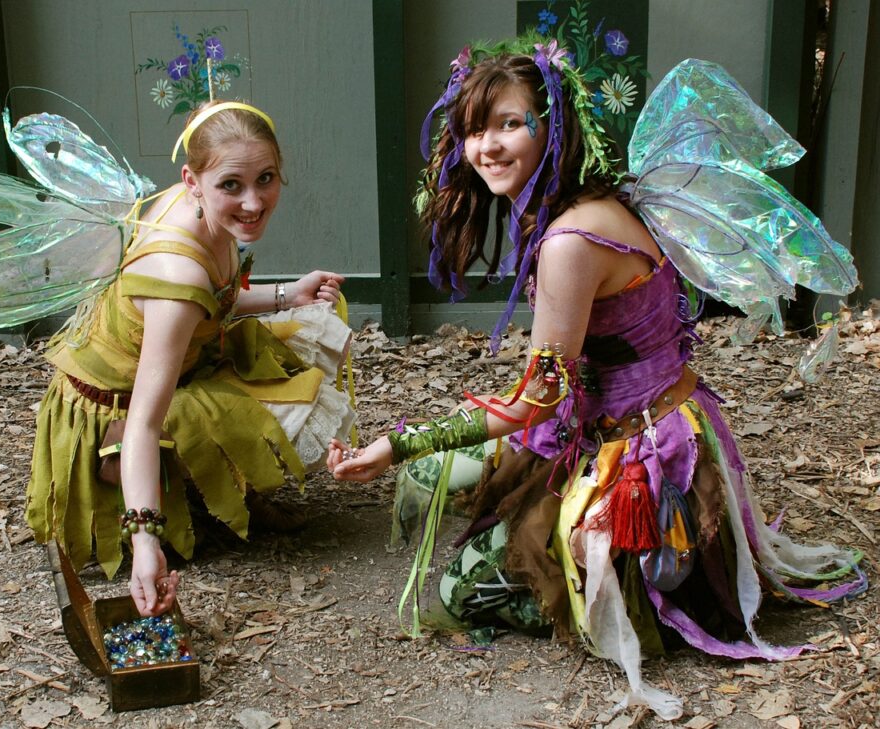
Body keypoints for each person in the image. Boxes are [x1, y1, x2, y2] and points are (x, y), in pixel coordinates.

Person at [329, 36, 864, 718]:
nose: (485, 146)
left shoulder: (568, 241)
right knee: (443, 481)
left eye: (508, 124)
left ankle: (630, 578)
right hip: (649, 418)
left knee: (464, 588)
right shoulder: (601, 199)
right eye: (471, 129)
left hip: (646, 463)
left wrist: (399, 442)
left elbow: (538, 397)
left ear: (553, 126)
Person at [27, 100, 355, 617]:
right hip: (113, 410)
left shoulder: (192, 206)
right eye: (232, 185)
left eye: (266, 178)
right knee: (300, 410)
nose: (253, 201)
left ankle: (220, 481)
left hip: (180, 364)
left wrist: (287, 294)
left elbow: (217, 300)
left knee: (309, 330)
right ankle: (153, 487)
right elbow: (141, 422)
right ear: (193, 178)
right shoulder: (177, 279)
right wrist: (144, 545)